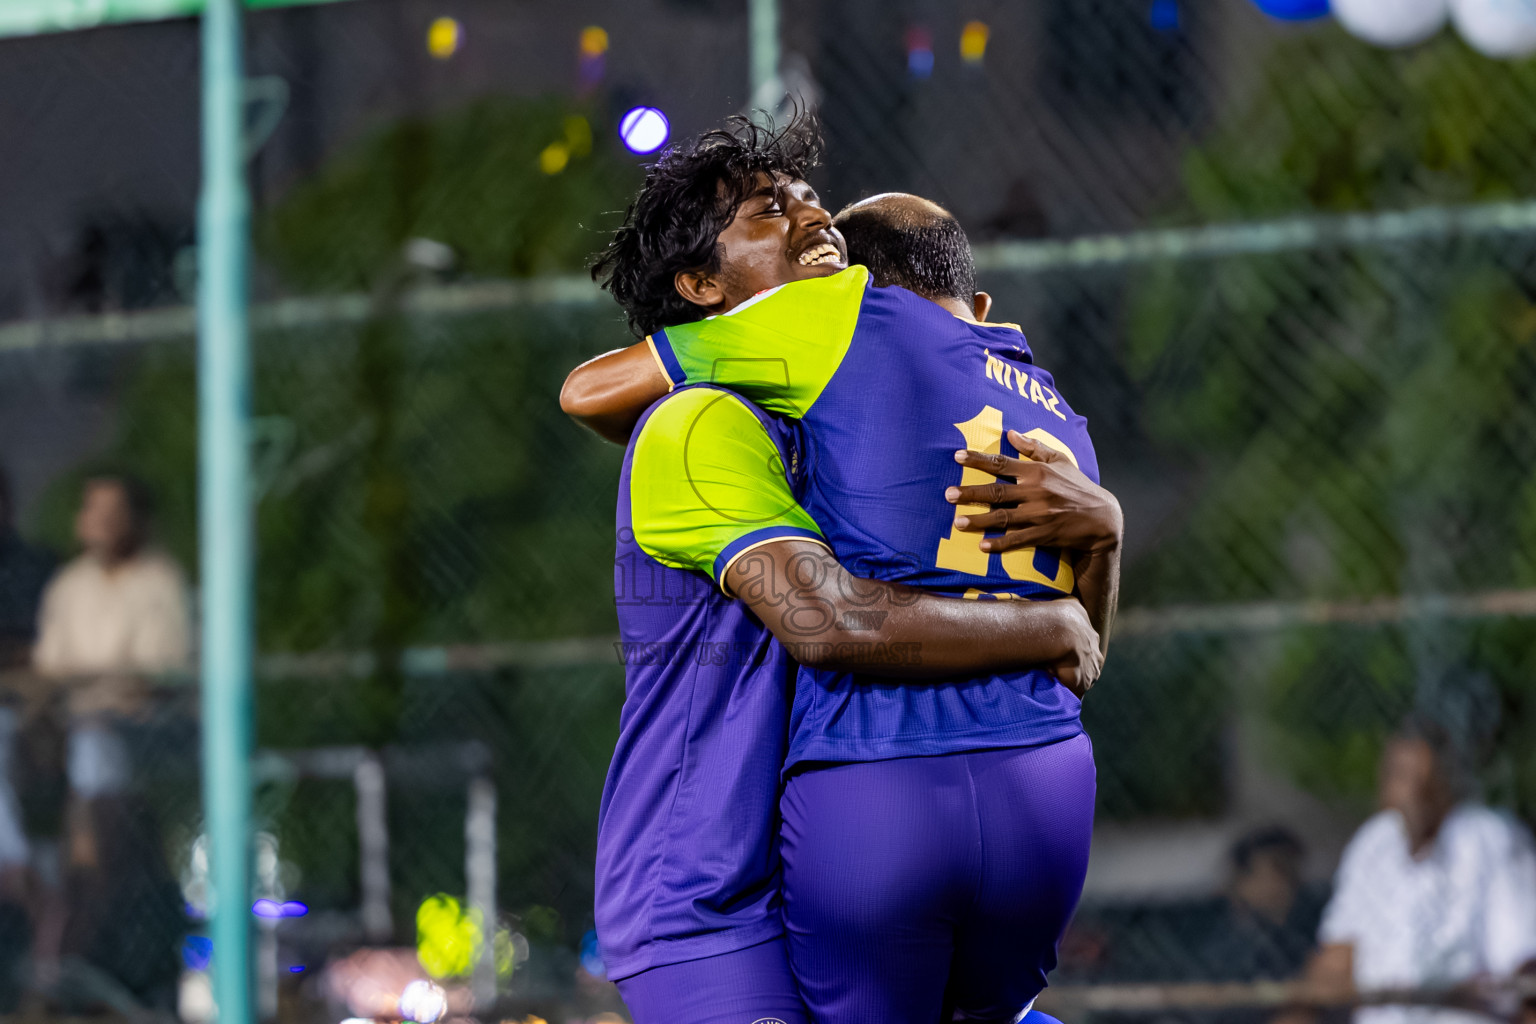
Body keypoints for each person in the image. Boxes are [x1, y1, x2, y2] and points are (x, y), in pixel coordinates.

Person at [566, 114, 1122, 1023]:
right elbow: (828, 622)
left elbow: (1075, 663)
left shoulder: (851, 422)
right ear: (702, 283)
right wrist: (1050, 621)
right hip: (712, 899)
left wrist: (1101, 536)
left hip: (822, 857)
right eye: (765, 211)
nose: (811, 215)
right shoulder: (698, 425)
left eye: (807, 195)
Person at [31, 473, 190, 1010]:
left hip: (142, 737)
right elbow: (52, 672)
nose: (98, 521)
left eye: (111, 510)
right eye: (91, 509)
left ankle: (79, 901)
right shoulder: (68, 587)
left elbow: (152, 675)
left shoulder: (159, 583)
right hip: (69, 735)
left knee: (96, 748)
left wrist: (94, 691)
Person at [1291, 717, 1536, 1024]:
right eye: (1402, 775)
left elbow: (1524, 965)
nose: (1414, 792)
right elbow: (1338, 954)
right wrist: (1300, 1009)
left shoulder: (1490, 838)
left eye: (1426, 777)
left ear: (1447, 782)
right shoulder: (1374, 844)